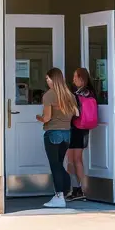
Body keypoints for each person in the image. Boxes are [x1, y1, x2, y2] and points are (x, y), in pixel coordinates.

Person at [36, 67, 78, 209]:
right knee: (59, 164)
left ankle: (59, 196)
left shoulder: (48, 95)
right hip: (66, 133)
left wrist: (40, 118)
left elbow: (47, 117)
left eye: (47, 78)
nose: (46, 81)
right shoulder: (70, 95)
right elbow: (75, 113)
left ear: (53, 79)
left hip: (53, 133)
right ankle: (65, 188)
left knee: (55, 165)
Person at [66, 67, 96, 202]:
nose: (73, 80)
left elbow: (74, 113)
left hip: (74, 128)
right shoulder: (91, 92)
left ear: (81, 78)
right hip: (84, 129)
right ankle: (83, 189)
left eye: (75, 77)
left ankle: (76, 189)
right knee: (78, 159)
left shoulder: (77, 95)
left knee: (71, 160)